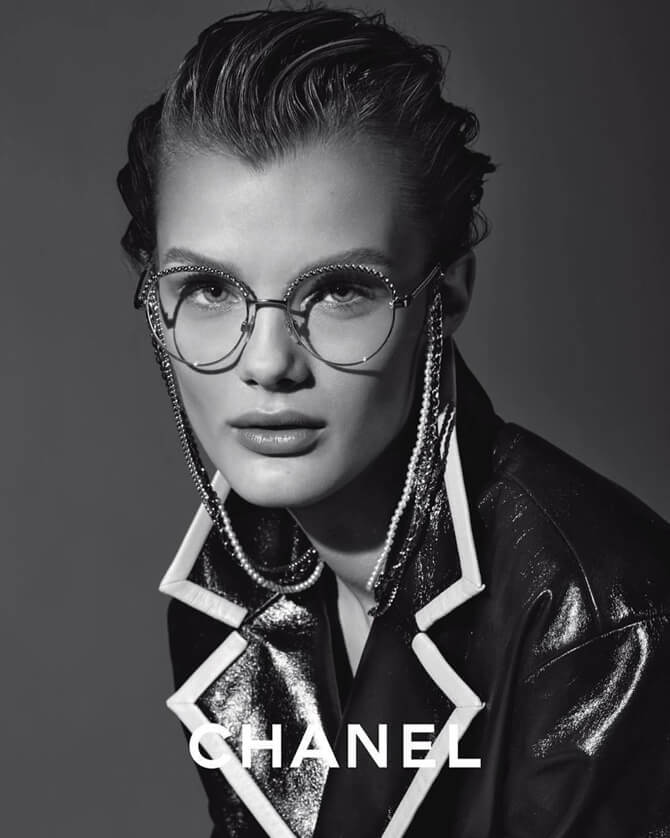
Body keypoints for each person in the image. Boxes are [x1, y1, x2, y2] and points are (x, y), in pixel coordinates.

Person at [117, 6, 670, 837]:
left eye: (340, 290)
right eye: (209, 289)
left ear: (446, 292)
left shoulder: (604, 629)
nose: (268, 362)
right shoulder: (228, 595)